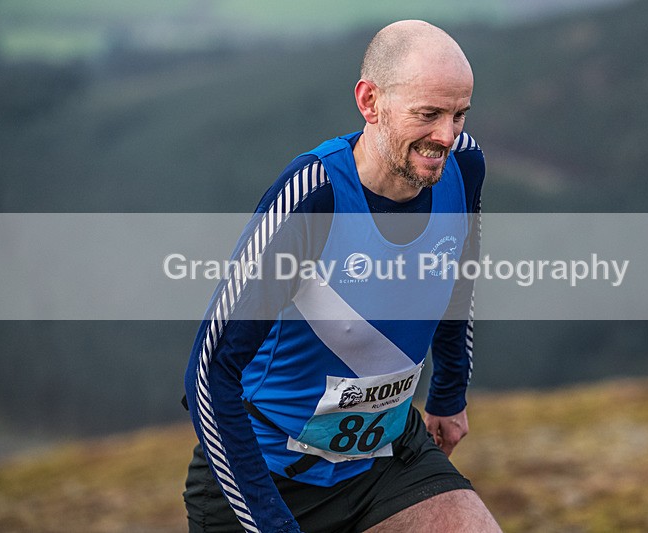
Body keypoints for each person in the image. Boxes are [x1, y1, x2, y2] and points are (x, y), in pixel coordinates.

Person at [183, 20, 500, 533]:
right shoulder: (313, 198)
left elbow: (457, 278)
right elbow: (209, 374)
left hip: (384, 457)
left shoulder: (464, 165)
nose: (446, 135)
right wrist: (271, 524)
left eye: (459, 114)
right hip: (264, 476)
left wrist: (449, 392)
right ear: (370, 102)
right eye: (429, 114)